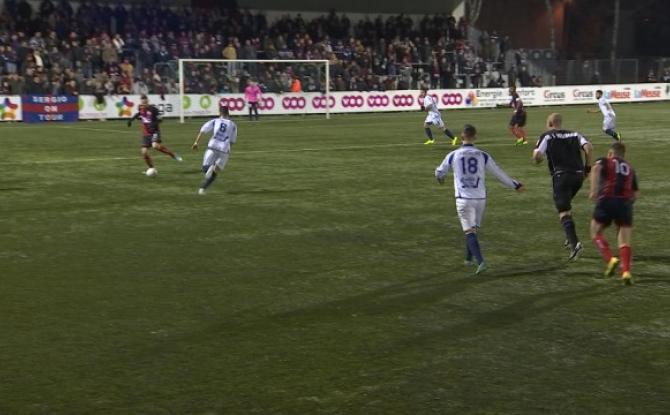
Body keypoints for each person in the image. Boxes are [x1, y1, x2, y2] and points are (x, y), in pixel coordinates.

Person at [435, 124, 525, 275]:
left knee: (469, 231)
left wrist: (440, 178)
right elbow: (498, 174)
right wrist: (515, 185)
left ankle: (481, 261)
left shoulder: (453, 155)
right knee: (473, 229)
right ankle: (468, 259)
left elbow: (439, 172)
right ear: (475, 137)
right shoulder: (483, 155)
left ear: (462, 137)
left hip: (463, 199)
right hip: (480, 199)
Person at [533, 113, 593, 261]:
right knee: (566, 205)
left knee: (563, 210)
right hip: (578, 176)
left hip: (562, 176)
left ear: (550, 123)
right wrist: (587, 168)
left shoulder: (547, 136)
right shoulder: (575, 134)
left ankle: (575, 244)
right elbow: (589, 148)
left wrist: (537, 158)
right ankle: (569, 236)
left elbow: (537, 155)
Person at [589, 142, 639, 285]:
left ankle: (610, 259)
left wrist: (593, 191)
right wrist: (626, 206)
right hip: (625, 204)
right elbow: (636, 194)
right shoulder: (630, 168)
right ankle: (626, 272)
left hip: (607, 199)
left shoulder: (605, 161)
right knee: (624, 241)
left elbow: (596, 168)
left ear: (611, 153)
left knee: (595, 231)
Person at [127, 95, 182, 173]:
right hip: (146, 134)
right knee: (144, 152)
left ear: (147, 101)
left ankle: (173, 155)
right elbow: (138, 114)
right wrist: (131, 120)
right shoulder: (140, 108)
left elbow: (160, 119)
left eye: (145, 101)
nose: (143, 103)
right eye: (142, 102)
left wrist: (155, 123)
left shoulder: (153, 109)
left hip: (154, 132)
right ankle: (152, 168)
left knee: (155, 146)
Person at [191, 104, 238, 195]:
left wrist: (196, 143)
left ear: (219, 113)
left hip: (212, 146)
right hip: (224, 149)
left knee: (205, 169)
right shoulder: (233, 125)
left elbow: (202, 130)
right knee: (215, 171)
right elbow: (232, 141)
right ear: (228, 113)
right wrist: (227, 149)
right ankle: (202, 189)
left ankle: (203, 188)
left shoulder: (215, 121)